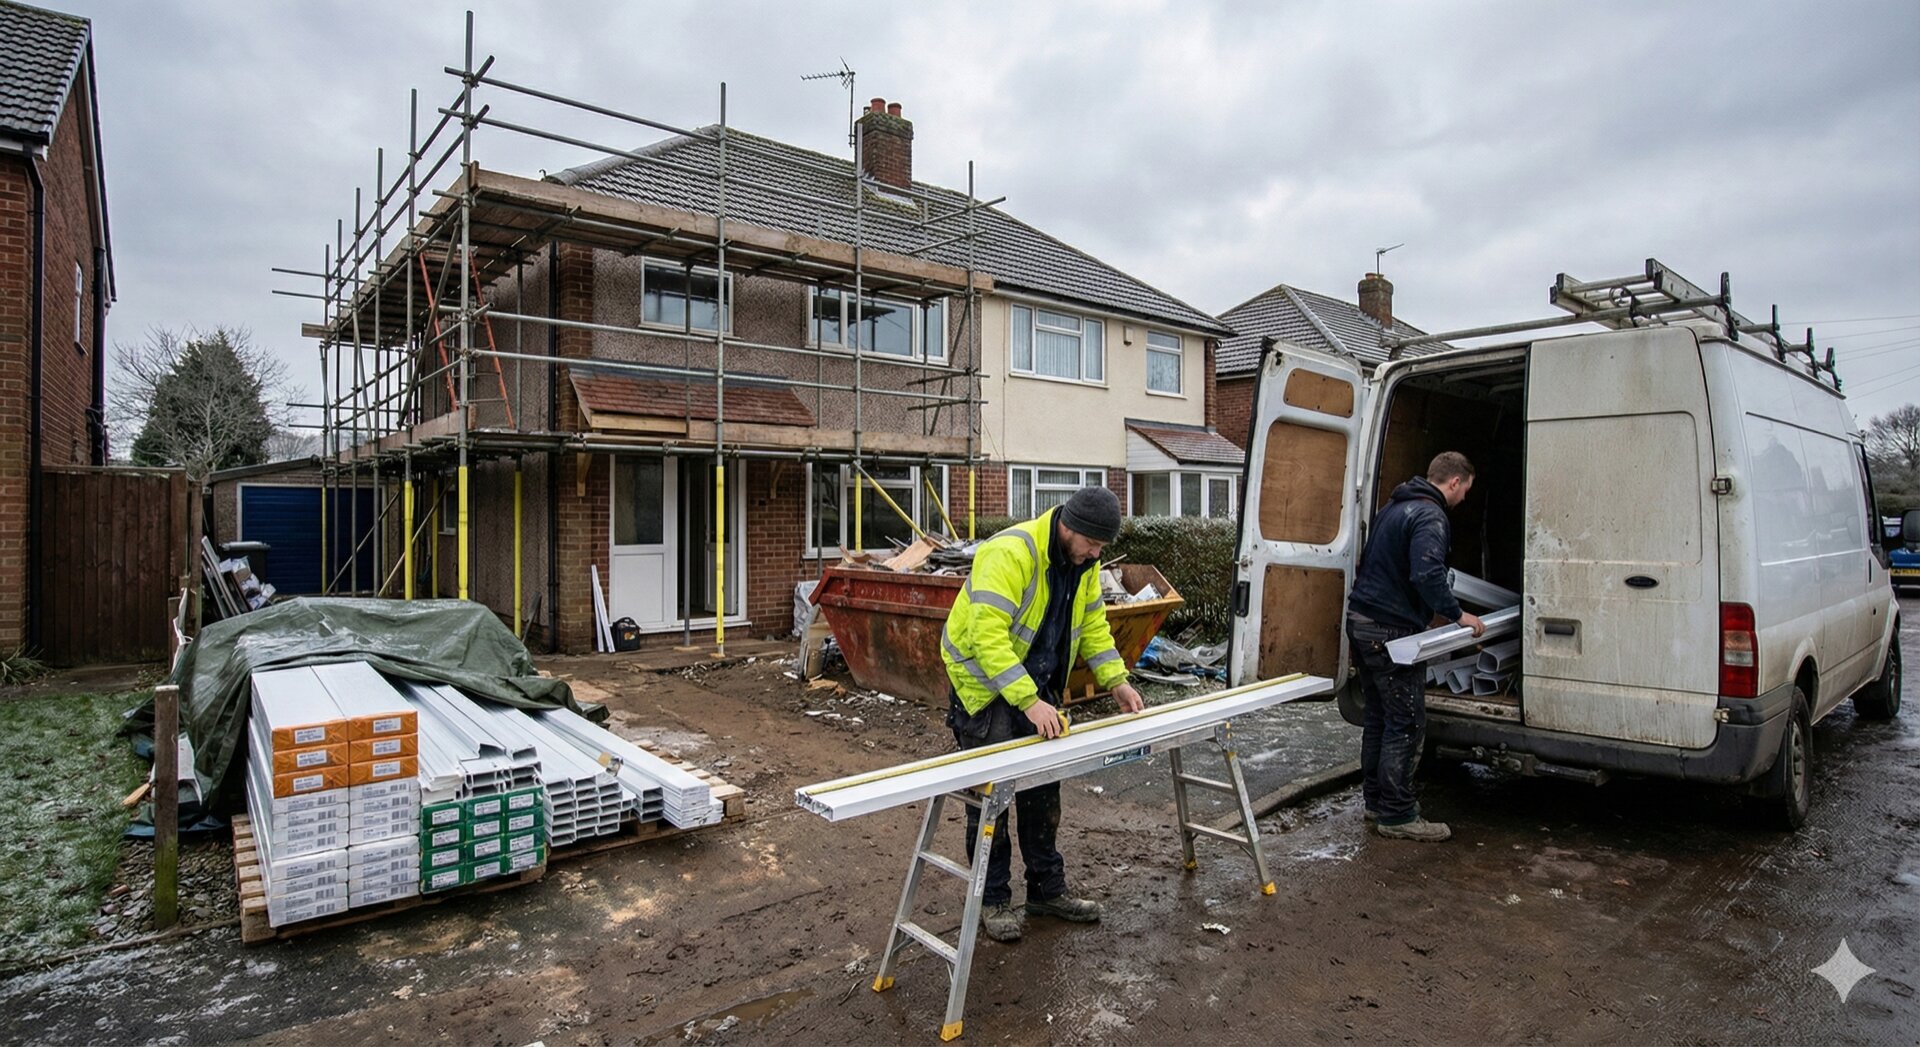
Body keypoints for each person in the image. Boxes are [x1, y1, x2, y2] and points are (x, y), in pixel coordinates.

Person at [941, 485, 1145, 942]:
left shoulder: (1084, 563)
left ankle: (1046, 892)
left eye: (1102, 546)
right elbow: (987, 638)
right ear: (1069, 527)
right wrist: (1028, 701)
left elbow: (1093, 625)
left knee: (1042, 793)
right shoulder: (1009, 554)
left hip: (1036, 686)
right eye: (1092, 543)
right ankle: (992, 900)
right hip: (984, 688)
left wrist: (1116, 680)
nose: (1097, 554)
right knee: (992, 799)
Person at [1346, 451, 1485, 842]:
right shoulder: (1430, 516)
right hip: (1391, 633)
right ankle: (1398, 815)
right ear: (1454, 482)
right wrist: (1458, 615)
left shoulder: (1394, 507)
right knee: (1406, 723)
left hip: (1362, 622)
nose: (1464, 499)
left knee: (1379, 717)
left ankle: (1376, 802)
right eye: (1466, 490)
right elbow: (1426, 573)